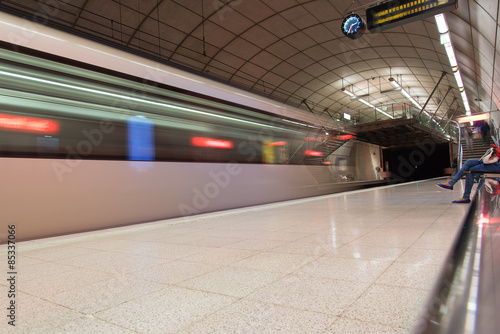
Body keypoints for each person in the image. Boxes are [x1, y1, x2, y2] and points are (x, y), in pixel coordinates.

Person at [436, 144, 500, 203]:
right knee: (469, 162)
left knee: (470, 171)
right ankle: (452, 184)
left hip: (497, 165)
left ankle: (464, 195)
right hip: (495, 161)